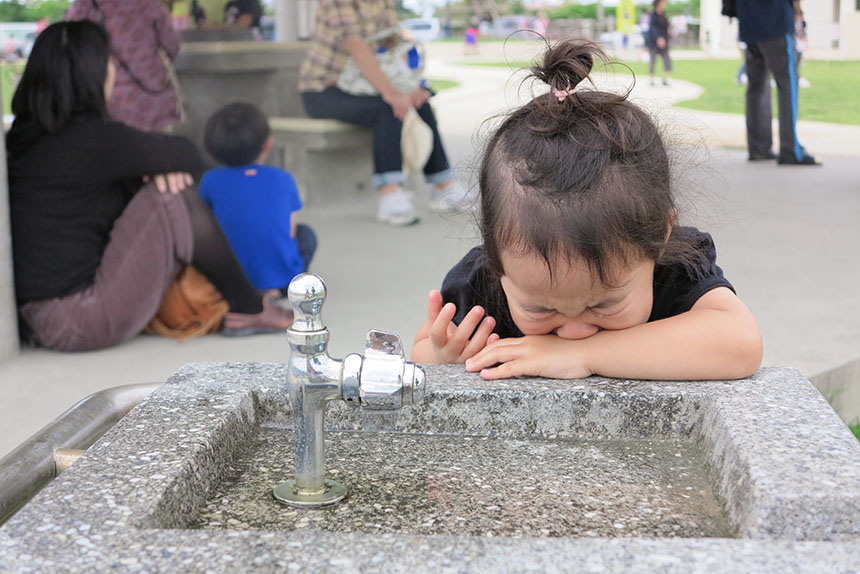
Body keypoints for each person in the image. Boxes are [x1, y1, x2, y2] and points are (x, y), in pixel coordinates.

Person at [410, 40, 763, 382]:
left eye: (604, 305)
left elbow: (739, 343)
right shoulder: (479, 286)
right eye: (541, 309)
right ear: (495, 255)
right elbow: (422, 348)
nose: (574, 331)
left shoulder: (675, 269)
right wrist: (445, 356)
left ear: (659, 236)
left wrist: (585, 356)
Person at [7, 21, 293, 352]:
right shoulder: (97, 140)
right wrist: (156, 172)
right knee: (170, 196)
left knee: (161, 186)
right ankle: (249, 307)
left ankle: (248, 302)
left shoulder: (23, 138)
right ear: (91, 75)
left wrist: (146, 171)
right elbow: (187, 154)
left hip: (39, 319)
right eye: (108, 60)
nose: (113, 69)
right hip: (79, 319)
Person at [299, 0, 471, 227]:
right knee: (389, 108)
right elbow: (356, 45)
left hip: (362, 85)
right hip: (322, 90)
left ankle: (443, 186)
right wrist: (391, 92)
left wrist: (411, 86)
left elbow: (394, 42)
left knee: (421, 101)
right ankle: (390, 194)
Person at [200, 102, 317, 297]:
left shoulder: (209, 181)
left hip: (230, 278)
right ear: (268, 144)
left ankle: (248, 288)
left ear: (211, 146)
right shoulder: (283, 178)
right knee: (306, 234)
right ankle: (278, 288)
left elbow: (207, 227)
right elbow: (290, 231)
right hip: (282, 277)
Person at [66, 0, 184, 132]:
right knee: (160, 150)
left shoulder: (83, 6)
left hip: (107, 103)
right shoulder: (148, 3)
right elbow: (172, 45)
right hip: (153, 100)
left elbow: (73, 52)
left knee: (115, 149)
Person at [736, 0, 817, 164]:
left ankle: (759, 148)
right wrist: (797, 10)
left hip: (749, 22)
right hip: (775, 20)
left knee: (756, 87)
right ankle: (790, 150)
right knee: (787, 83)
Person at [646, 0, 671, 87]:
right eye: (663, 2)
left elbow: (665, 27)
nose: (665, 4)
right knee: (653, 61)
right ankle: (651, 79)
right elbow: (653, 28)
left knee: (667, 60)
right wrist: (659, 38)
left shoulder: (664, 14)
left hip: (664, 42)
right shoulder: (653, 15)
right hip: (654, 42)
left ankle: (664, 79)